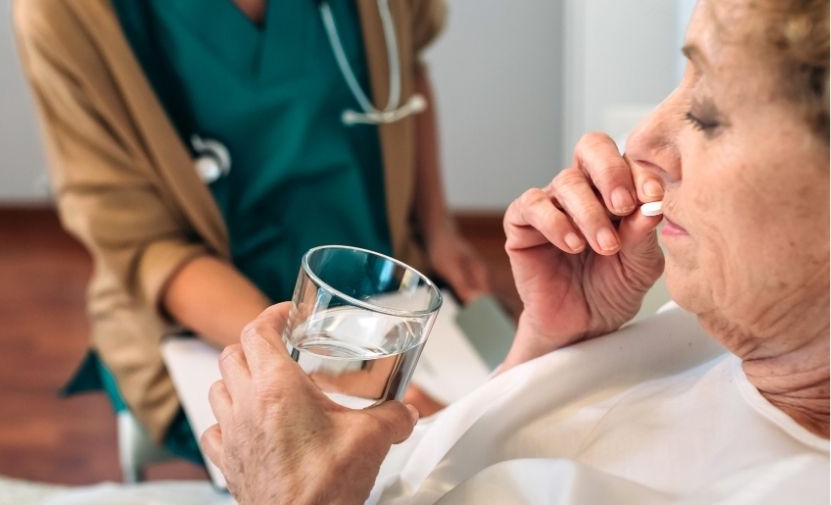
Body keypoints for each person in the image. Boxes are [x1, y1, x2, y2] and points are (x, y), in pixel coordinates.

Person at [201, 0, 830, 502]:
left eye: (709, 113)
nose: (642, 142)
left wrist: (291, 494)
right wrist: (553, 354)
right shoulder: (735, 332)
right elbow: (449, 472)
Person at [13, 0, 486, 462]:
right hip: (199, 324)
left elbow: (405, 68)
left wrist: (438, 227)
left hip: (381, 285)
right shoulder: (66, 14)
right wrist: (335, 374)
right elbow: (146, 247)